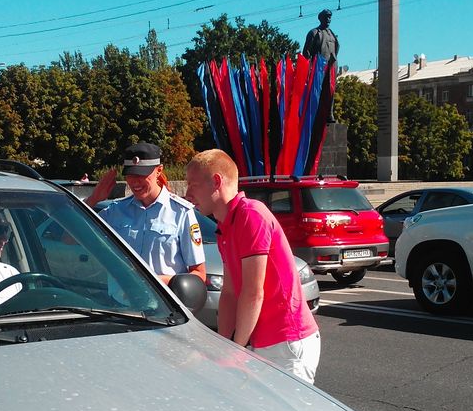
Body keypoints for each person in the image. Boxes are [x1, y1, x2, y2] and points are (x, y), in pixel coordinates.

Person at [185, 149, 321, 383]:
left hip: (287, 344)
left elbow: (253, 293)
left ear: (216, 182)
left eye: (193, 185)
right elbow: (229, 294)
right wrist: (224, 347)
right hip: (266, 344)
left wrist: (235, 352)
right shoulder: (225, 226)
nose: (187, 194)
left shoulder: (251, 214)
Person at [87, 142, 206, 285]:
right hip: (120, 303)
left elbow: (199, 274)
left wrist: (153, 283)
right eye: (130, 175)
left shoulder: (181, 212)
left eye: (142, 175)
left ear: (159, 170)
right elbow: (68, 238)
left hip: (163, 304)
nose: (135, 181)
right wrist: (93, 199)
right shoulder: (115, 210)